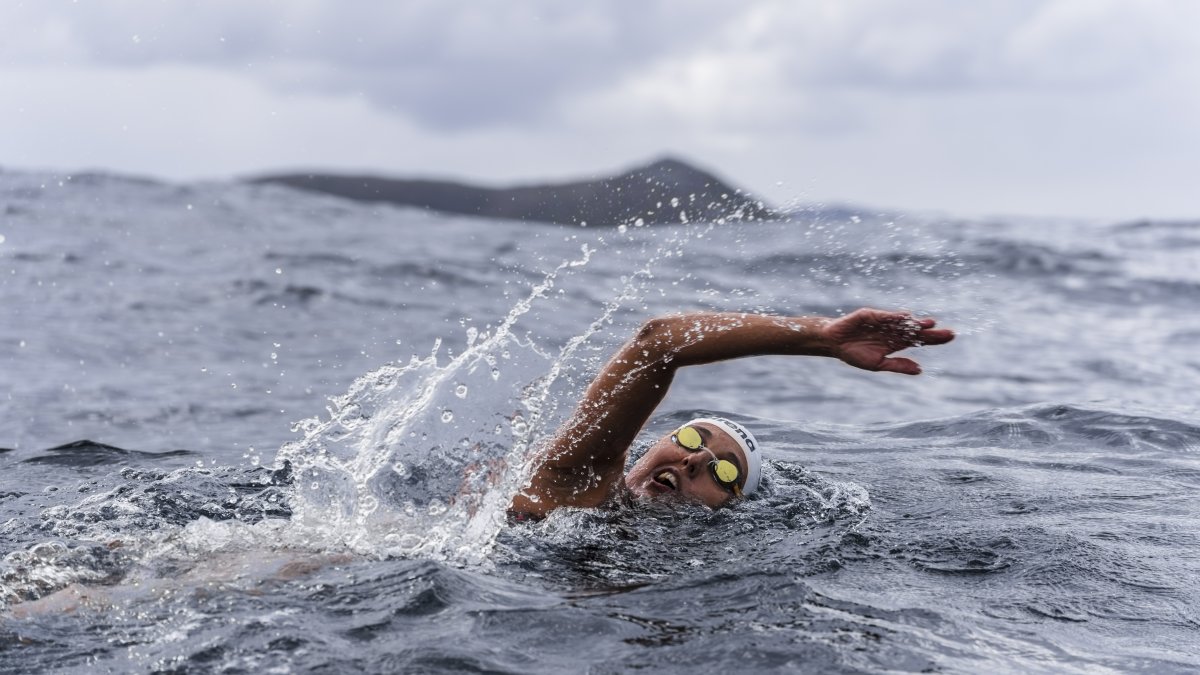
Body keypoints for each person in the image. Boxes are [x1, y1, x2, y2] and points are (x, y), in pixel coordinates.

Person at [508, 308, 954, 520]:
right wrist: (821, 337)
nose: (697, 459)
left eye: (725, 472)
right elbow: (659, 343)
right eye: (689, 438)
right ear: (650, 448)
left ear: (731, 507)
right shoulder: (574, 483)